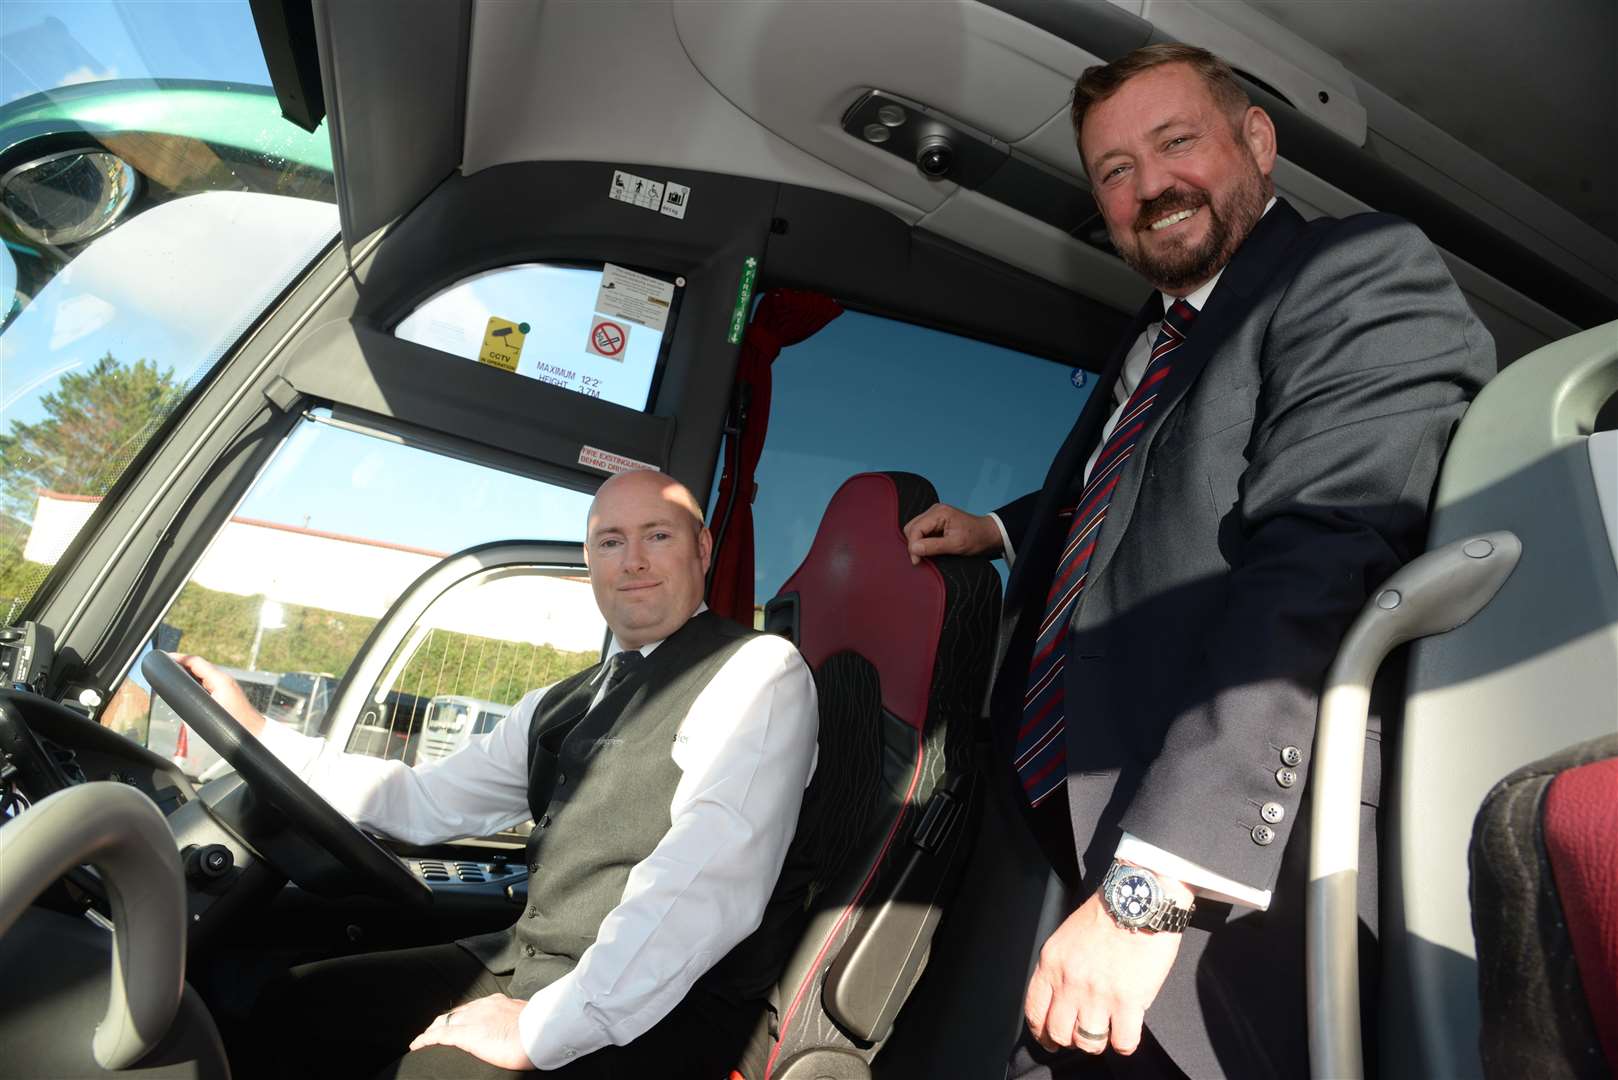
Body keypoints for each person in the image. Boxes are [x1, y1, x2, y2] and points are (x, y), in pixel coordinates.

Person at [903, 44, 1493, 1080]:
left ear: (1254, 143)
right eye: (1113, 172)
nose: (1148, 186)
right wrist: (999, 529)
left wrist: (1154, 890)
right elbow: (1137, 483)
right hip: (1079, 832)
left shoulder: (1354, 272)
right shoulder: (1160, 335)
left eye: (1174, 142)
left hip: (1226, 873)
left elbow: (1319, 555)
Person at [178, 469, 819, 1079]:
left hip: (663, 1009)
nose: (634, 561)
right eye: (610, 541)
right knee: (301, 1005)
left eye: (658, 535)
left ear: (702, 548)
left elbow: (706, 879)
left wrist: (539, 1029)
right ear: (590, 561)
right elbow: (423, 802)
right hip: (533, 964)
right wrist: (261, 737)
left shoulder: (760, 671)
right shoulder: (561, 702)